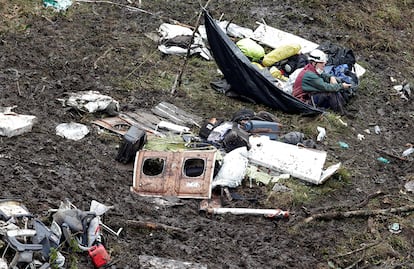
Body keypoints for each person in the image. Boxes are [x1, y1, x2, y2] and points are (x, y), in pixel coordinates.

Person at [292, 49, 353, 114]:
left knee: (334, 88)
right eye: (321, 63)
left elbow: (323, 75)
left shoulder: (311, 69)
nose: (324, 65)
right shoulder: (310, 75)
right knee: (331, 92)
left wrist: (331, 77)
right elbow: (326, 87)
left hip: (308, 96)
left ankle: (342, 108)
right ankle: (341, 113)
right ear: (314, 63)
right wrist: (342, 86)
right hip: (303, 102)